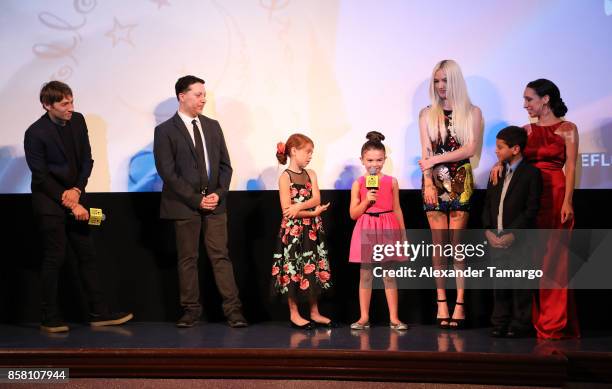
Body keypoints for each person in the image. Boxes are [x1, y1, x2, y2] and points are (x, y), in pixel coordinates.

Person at [24, 81, 133, 333]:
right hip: (49, 203)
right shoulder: (35, 133)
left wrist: (76, 191)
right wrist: (69, 202)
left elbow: (87, 159)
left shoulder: (79, 120)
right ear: (47, 105)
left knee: (88, 255)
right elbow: (40, 176)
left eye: (72, 101)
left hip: (76, 196)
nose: (70, 108)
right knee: (56, 257)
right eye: (64, 104)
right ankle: (49, 317)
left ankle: (99, 312)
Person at [153, 75, 247, 328]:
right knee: (188, 259)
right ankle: (191, 311)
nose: (203, 99)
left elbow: (225, 166)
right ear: (182, 96)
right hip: (184, 205)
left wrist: (219, 192)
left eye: (204, 94)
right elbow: (167, 171)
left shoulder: (212, 126)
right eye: (198, 94)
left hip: (216, 204)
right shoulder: (164, 131)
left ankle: (233, 311)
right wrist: (196, 200)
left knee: (220, 257)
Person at [493, 79, 580, 339]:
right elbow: (511, 156)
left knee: (555, 260)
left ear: (545, 99)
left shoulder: (568, 129)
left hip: (555, 195)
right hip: (529, 196)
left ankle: (552, 321)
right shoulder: (526, 131)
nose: (525, 105)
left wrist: (567, 201)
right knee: (530, 258)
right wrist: (499, 164)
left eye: (529, 99)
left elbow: (572, 167)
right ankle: (523, 320)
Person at [418, 60, 483, 329]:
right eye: (436, 81)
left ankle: (460, 303)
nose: (440, 86)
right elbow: (426, 153)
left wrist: (436, 161)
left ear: (455, 81)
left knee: (457, 247)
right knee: (438, 247)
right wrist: (429, 181)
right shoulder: (427, 114)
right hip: (434, 181)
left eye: (445, 80)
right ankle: (441, 301)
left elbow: (469, 149)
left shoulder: (472, 112)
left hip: (460, 180)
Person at [483, 126, 542, 338]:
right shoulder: (496, 172)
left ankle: (520, 324)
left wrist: (513, 233)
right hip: (495, 236)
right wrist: (488, 230)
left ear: (515, 148)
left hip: (519, 239)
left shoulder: (531, 173)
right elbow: (488, 204)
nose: (496, 151)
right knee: (500, 284)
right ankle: (499, 323)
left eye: (500, 147)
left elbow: (531, 209)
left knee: (521, 284)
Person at [271, 134, 334, 330]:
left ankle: (314, 312)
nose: (310, 156)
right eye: (307, 152)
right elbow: (287, 211)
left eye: (311, 153)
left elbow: (316, 198)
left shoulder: (311, 174)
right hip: (293, 232)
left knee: (312, 267)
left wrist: (300, 207)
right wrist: (309, 211)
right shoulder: (285, 177)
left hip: (312, 230)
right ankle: (294, 313)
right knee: (293, 269)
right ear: (293, 151)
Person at [349, 131, 408, 331]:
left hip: (388, 225)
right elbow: (353, 214)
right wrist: (367, 200)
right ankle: (364, 317)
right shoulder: (358, 183)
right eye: (370, 160)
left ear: (385, 159)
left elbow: (397, 208)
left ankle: (394, 318)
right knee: (365, 274)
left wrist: (403, 233)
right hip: (366, 226)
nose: (375, 164)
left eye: (379, 160)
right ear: (362, 160)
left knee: (389, 273)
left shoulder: (391, 182)